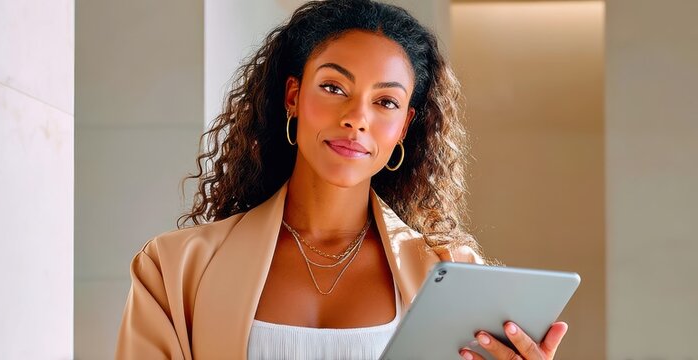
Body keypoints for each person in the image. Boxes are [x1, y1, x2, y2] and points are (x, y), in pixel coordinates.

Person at [115, 0, 568, 359]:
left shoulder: (455, 276)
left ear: (406, 125)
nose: (357, 119)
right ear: (293, 96)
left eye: (385, 102)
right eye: (334, 88)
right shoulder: (173, 270)